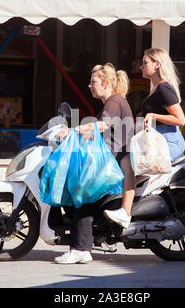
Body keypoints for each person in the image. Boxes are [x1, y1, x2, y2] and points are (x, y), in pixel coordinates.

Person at [54, 63, 135, 264]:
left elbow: (103, 125)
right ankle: (83, 243)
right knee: (77, 192)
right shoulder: (112, 102)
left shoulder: (114, 101)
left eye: (93, 82)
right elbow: (98, 132)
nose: (89, 86)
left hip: (110, 164)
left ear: (106, 83)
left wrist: (74, 131)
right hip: (107, 161)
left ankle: (81, 249)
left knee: (80, 194)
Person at [103, 48, 185, 228]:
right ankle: (135, 209)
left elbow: (180, 119)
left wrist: (153, 116)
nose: (141, 66)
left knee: (128, 163)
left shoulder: (164, 88)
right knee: (126, 162)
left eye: (145, 62)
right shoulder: (155, 88)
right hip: (157, 140)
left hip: (169, 141)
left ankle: (125, 213)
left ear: (157, 65)